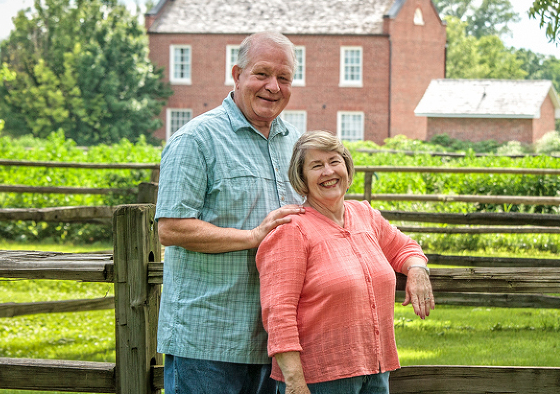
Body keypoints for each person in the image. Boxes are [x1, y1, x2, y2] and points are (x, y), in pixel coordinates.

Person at [155, 31, 306, 394]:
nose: (273, 86)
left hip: (275, 344)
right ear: (237, 74)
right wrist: (253, 237)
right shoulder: (196, 139)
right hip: (208, 341)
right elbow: (171, 229)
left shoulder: (297, 144)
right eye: (262, 74)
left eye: (283, 77)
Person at [256, 131, 435, 394]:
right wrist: (295, 382)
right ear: (302, 177)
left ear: (347, 168)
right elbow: (278, 313)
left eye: (334, 161)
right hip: (320, 379)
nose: (328, 171)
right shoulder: (291, 229)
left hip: (376, 372)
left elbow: (404, 247)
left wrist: (418, 270)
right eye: (316, 166)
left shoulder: (364, 214)